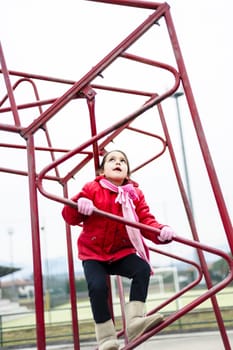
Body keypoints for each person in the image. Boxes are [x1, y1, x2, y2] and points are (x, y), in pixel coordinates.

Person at [62, 150, 176, 350]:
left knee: (141, 269)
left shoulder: (134, 194)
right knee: (98, 287)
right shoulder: (92, 188)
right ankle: (106, 338)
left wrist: (161, 231)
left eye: (123, 161)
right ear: (102, 171)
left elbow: (145, 221)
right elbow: (71, 218)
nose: (118, 163)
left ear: (127, 172)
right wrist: (79, 203)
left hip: (120, 252)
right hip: (94, 252)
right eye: (112, 160)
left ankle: (135, 321)